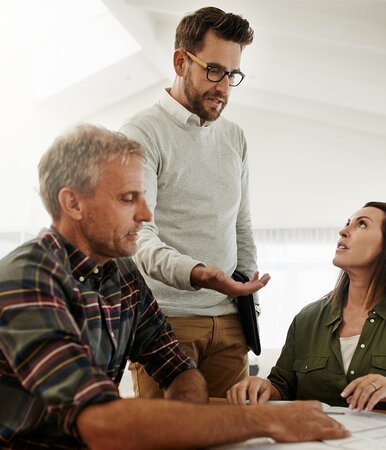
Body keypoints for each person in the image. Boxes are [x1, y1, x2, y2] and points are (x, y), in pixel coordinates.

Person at [0, 124, 349, 449]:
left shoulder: (122, 274)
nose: (146, 214)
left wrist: (187, 424)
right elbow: (99, 422)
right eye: (127, 198)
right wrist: (264, 420)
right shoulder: (27, 279)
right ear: (73, 203)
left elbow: (178, 368)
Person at [119, 6, 267, 400]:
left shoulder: (234, 138)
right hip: (165, 323)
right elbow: (137, 238)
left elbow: (241, 225)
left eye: (232, 75)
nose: (223, 86)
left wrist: (245, 290)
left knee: (233, 440)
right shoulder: (140, 134)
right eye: (214, 71)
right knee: (168, 441)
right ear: (181, 61)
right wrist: (199, 272)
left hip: (231, 325)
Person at [228, 202, 386, 413]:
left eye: (362, 224)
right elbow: (282, 387)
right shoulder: (307, 319)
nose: (343, 231)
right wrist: (263, 387)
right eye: (347, 223)